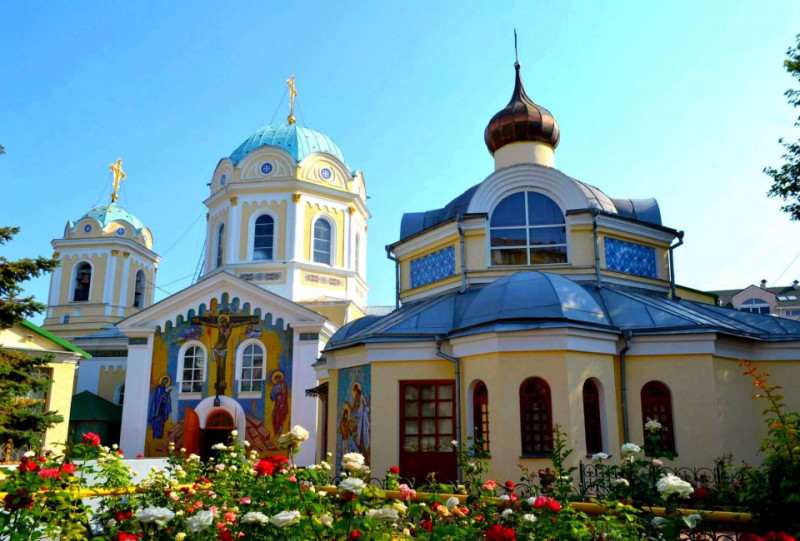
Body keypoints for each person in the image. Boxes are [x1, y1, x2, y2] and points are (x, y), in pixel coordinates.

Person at [270, 371, 289, 436]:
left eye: (278, 378)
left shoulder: (284, 384)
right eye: (276, 378)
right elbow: (273, 394)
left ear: (280, 378)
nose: (277, 379)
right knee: (274, 415)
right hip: (277, 402)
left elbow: (284, 393)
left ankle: (280, 429)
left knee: (280, 415)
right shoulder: (276, 385)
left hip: (282, 402)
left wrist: (281, 401)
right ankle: (276, 430)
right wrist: (272, 395)